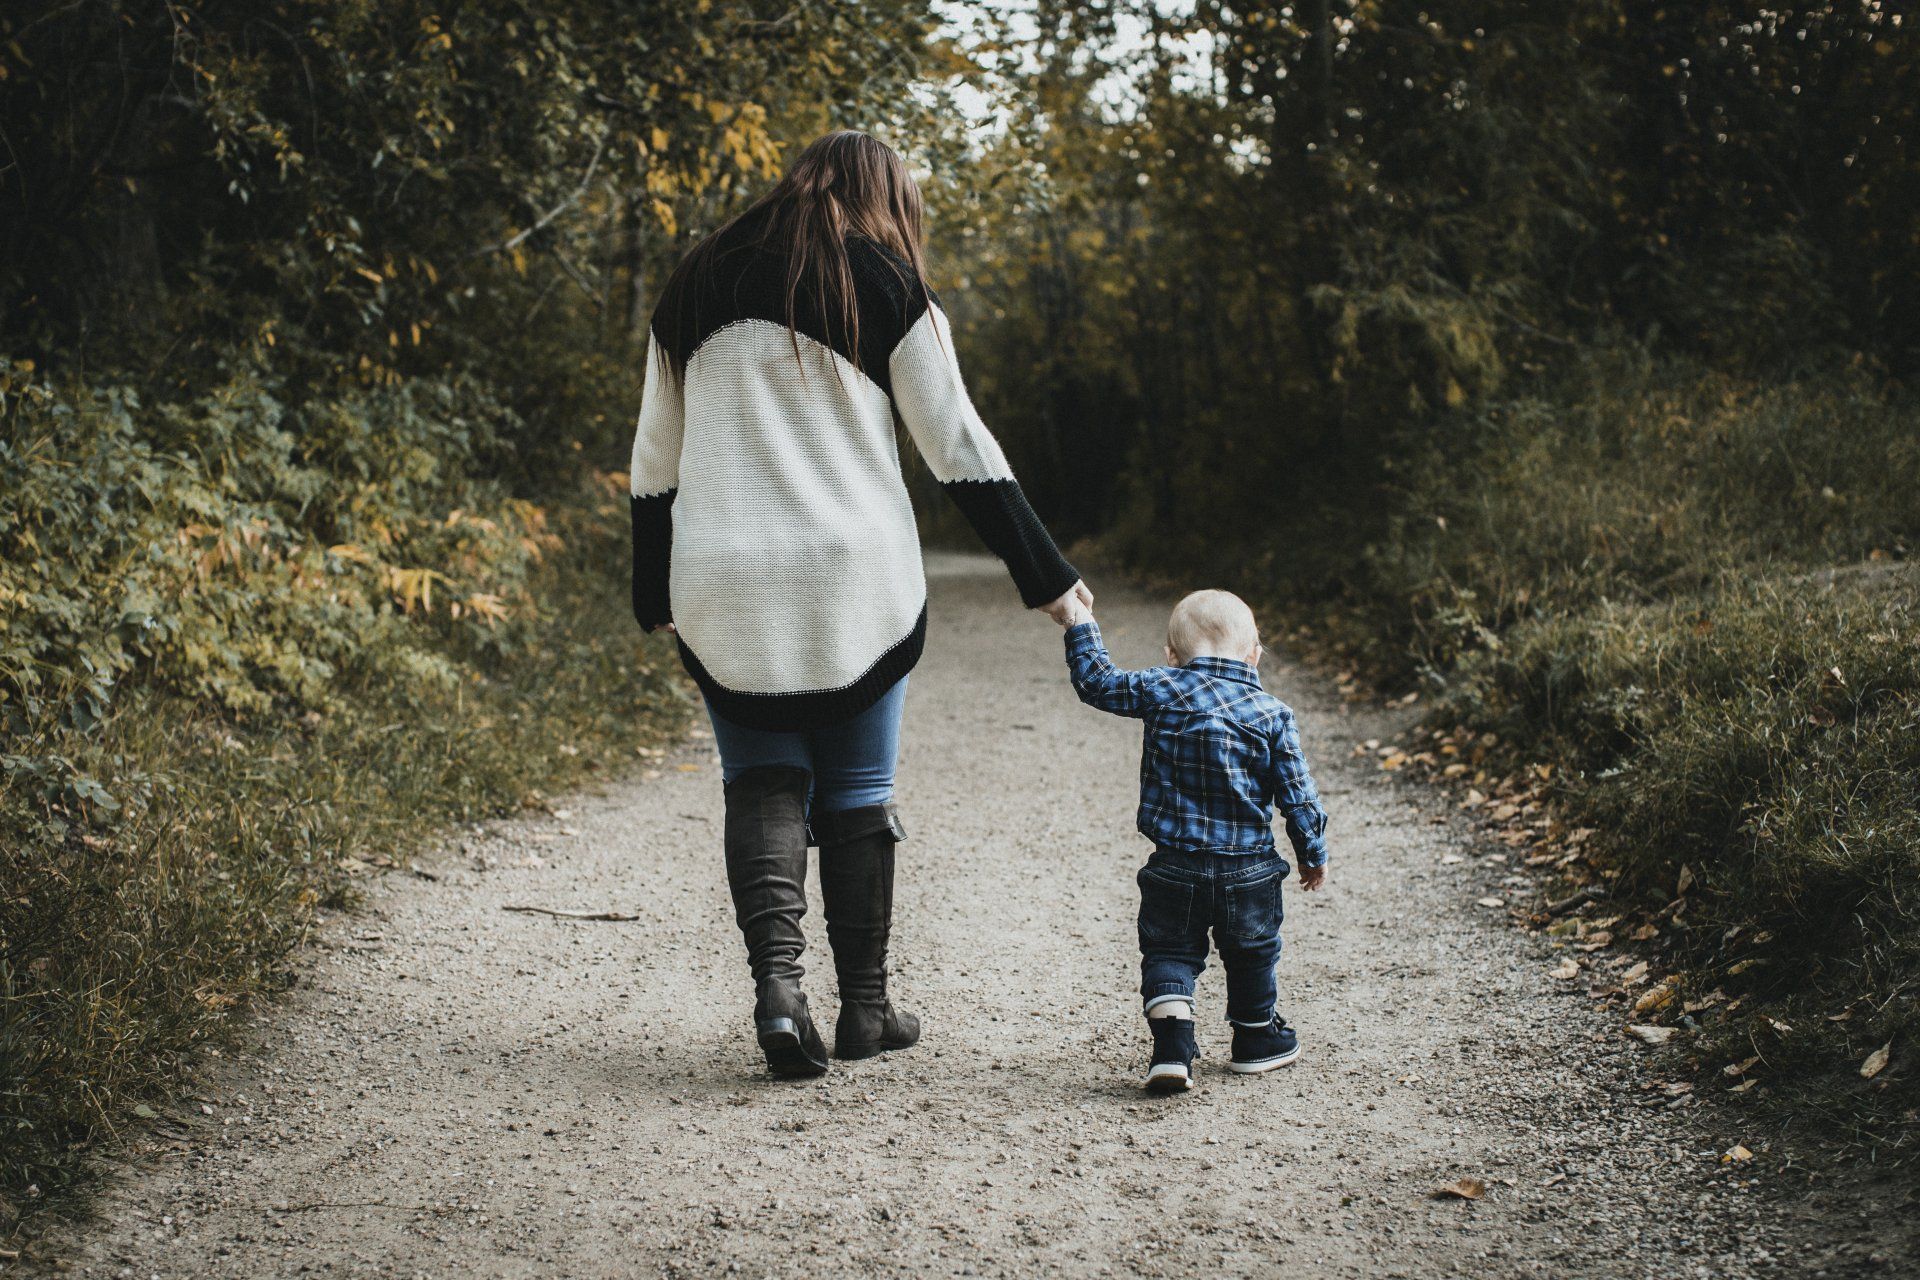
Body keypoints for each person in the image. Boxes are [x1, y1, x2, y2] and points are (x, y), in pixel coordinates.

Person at [629, 130, 1091, 1079]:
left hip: (720, 569)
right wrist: (1045, 575)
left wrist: (652, 587)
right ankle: (866, 1010)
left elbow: (653, 458)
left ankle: (778, 992)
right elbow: (956, 440)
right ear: (884, 197)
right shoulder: (882, 282)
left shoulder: (697, 279)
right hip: (854, 577)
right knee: (859, 791)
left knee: (760, 779)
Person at [1056, 588, 1328, 1093]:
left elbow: (1097, 682)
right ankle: (1254, 1038)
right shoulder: (1272, 714)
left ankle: (1172, 1048)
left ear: (1172, 656)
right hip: (1248, 870)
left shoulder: (1162, 687)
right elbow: (1298, 795)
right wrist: (1312, 852)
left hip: (1174, 864)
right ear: (1255, 655)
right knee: (1252, 951)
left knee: (1170, 951)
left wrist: (1079, 623)